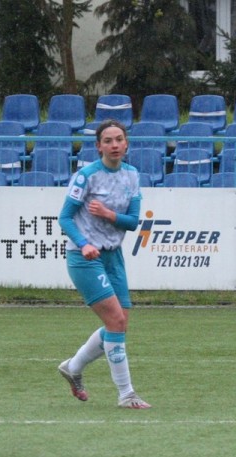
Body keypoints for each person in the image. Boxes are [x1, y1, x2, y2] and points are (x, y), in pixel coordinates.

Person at [56, 119, 150, 409]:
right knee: (116, 321)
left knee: (119, 324)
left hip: (113, 256)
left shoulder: (132, 175)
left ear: (126, 144)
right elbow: (65, 217)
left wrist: (109, 214)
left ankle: (73, 367)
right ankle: (126, 394)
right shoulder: (86, 176)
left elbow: (133, 222)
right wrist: (83, 243)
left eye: (119, 139)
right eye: (108, 141)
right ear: (98, 146)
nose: (114, 145)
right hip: (85, 257)